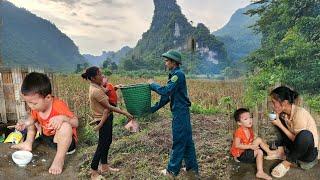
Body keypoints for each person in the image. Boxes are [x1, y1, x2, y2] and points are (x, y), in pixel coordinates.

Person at [11, 72, 78, 175]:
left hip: (64, 143)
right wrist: (25, 123)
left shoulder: (58, 106)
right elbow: (32, 119)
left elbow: (76, 122)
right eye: (27, 102)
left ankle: (59, 159)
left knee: (65, 126)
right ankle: (28, 143)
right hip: (46, 138)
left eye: (34, 103)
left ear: (48, 98)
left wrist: (63, 118)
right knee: (31, 120)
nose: (31, 106)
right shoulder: (36, 108)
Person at [148, 50, 199, 177]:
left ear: (173, 62)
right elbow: (166, 97)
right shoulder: (173, 75)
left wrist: (152, 84)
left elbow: (165, 91)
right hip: (181, 112)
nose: (165, 63)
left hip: (180, 113)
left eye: (166, 61)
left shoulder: (178, 75)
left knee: (179, 141)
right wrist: (151, 109)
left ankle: (171, 171)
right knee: (187, 142)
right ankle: (192, 169)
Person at [81, 66, 134, 180]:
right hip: (102, 120)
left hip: (107, 118)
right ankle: (93, 171)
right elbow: (109, 106)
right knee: (102, 145)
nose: (102, 76)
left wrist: (115, 88)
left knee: (107, 141)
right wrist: (125, 113)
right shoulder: (95, 91)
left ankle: (104, 167)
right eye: (99, 74)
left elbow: (106, 92)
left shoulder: (97, 86)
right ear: (93, 78)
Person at [269, 86, 319, 178]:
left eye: (273, 102)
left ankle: (286, 163)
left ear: (284, 103)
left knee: (305, 134)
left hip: (307, 153)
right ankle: (281, 153)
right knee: (279, 121)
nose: (272, 105)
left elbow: (299, 140)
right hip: (294, 149)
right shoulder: (285, 115)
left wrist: (279, 124)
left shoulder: (299, 113)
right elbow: (287, 136)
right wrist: (278, 121)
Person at [230, 108, 276, 180]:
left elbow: (251, 140)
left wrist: (260, 144)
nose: (250, 120)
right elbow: (237, 145)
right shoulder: (239, 132)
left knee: (259, 142)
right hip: (240, 155)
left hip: (246, 150)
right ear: (239, 123)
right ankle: (261, 171)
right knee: (259, 150)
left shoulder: (249, 129)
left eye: (250, 117)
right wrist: (251, 146)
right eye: (246, 119)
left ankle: (269, 155)